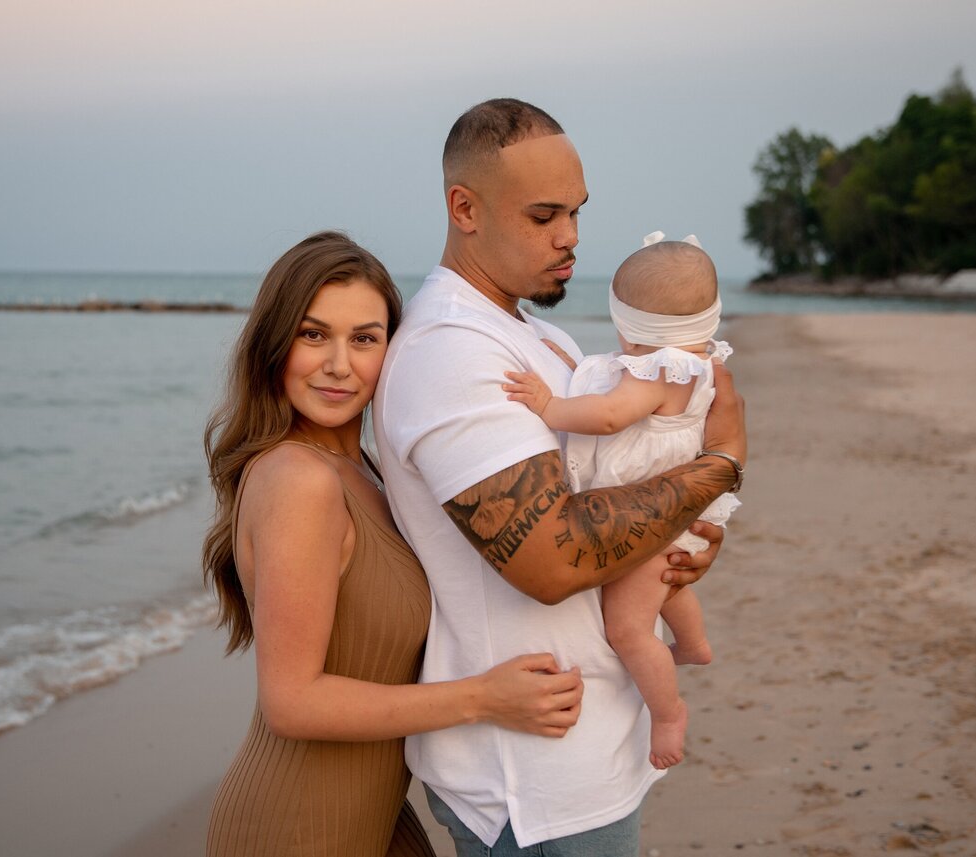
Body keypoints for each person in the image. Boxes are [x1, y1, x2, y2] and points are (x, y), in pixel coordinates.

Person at [373, 98, 746, 856]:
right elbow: (551, 559)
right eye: (544, 215)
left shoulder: (538, 336)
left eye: (575, 212)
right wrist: (722, 466)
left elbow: (625, 490)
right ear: (464, 207)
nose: (570, 237)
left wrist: (683, 545)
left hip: (585, 754)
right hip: (535, 782)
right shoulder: (452, 352)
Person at [202, 231, 585, 857]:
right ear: (274, 345)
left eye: (364, 339)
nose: (338, 365)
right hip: (294, 829)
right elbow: (291, 702)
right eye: (312, 334)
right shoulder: (299, 479)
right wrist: (484, 699)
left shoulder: (367, 474)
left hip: (374, 819)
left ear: (392, 351)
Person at [502, 233, 741, 771]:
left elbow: (609, 416)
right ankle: (693, 642)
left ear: (633, 328)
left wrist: (548, 406)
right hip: (674, 508)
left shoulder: (656, 373)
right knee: (663, 577)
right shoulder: (703, 368)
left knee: (629, 630)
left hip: (643, 506)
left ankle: (668, 711)